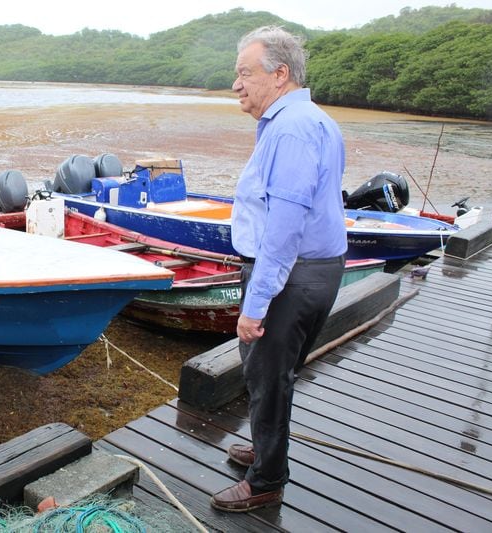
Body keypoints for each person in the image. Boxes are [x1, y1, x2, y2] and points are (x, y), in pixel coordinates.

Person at [210, 26, 347, 513]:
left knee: (268, 377)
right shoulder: (313, 119)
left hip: (291, 274)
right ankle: (267, 451)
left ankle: (267, 480)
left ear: (280, 74)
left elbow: (285, 228)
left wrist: (256, 303)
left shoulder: (289, 129)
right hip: (318, 268)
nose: (237, 84)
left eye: (245, 73)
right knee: (278, 374)